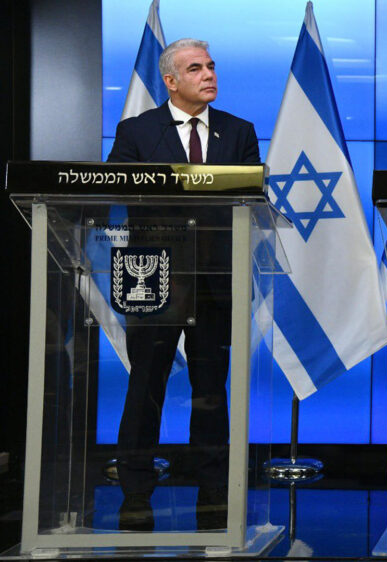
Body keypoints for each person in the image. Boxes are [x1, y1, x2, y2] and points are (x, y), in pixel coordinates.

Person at [107, 38, 260, 531]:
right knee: (145, 384)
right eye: (196, 69)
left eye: (211, 66)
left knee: (211, 388)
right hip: (153, 276)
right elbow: (115, 189)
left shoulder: (239, 132)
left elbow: (252, 202)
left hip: (216, 279)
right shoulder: (136, 130)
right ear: (171, 81)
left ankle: (214, 490)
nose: (209, 75)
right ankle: (134, 490)